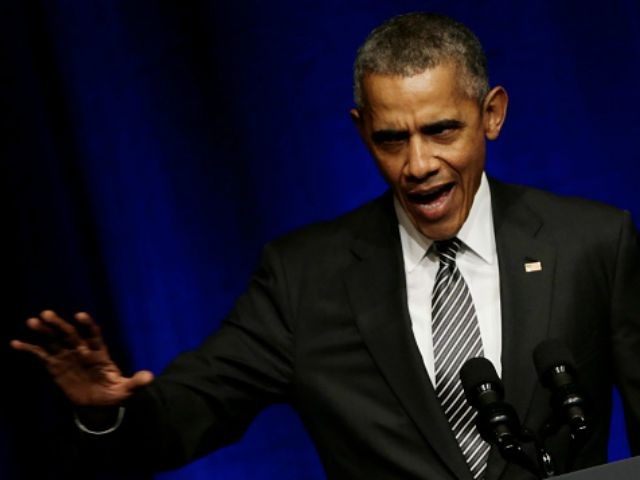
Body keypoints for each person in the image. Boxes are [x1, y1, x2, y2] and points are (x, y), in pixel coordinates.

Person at [11, 12, 640, 480]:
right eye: (392, 139)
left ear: (492, 114)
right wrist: (105, 415)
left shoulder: (591, 244)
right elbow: (184, 418)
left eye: (442, 130)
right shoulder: (303, 279)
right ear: (360, 129)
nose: (418, 163)